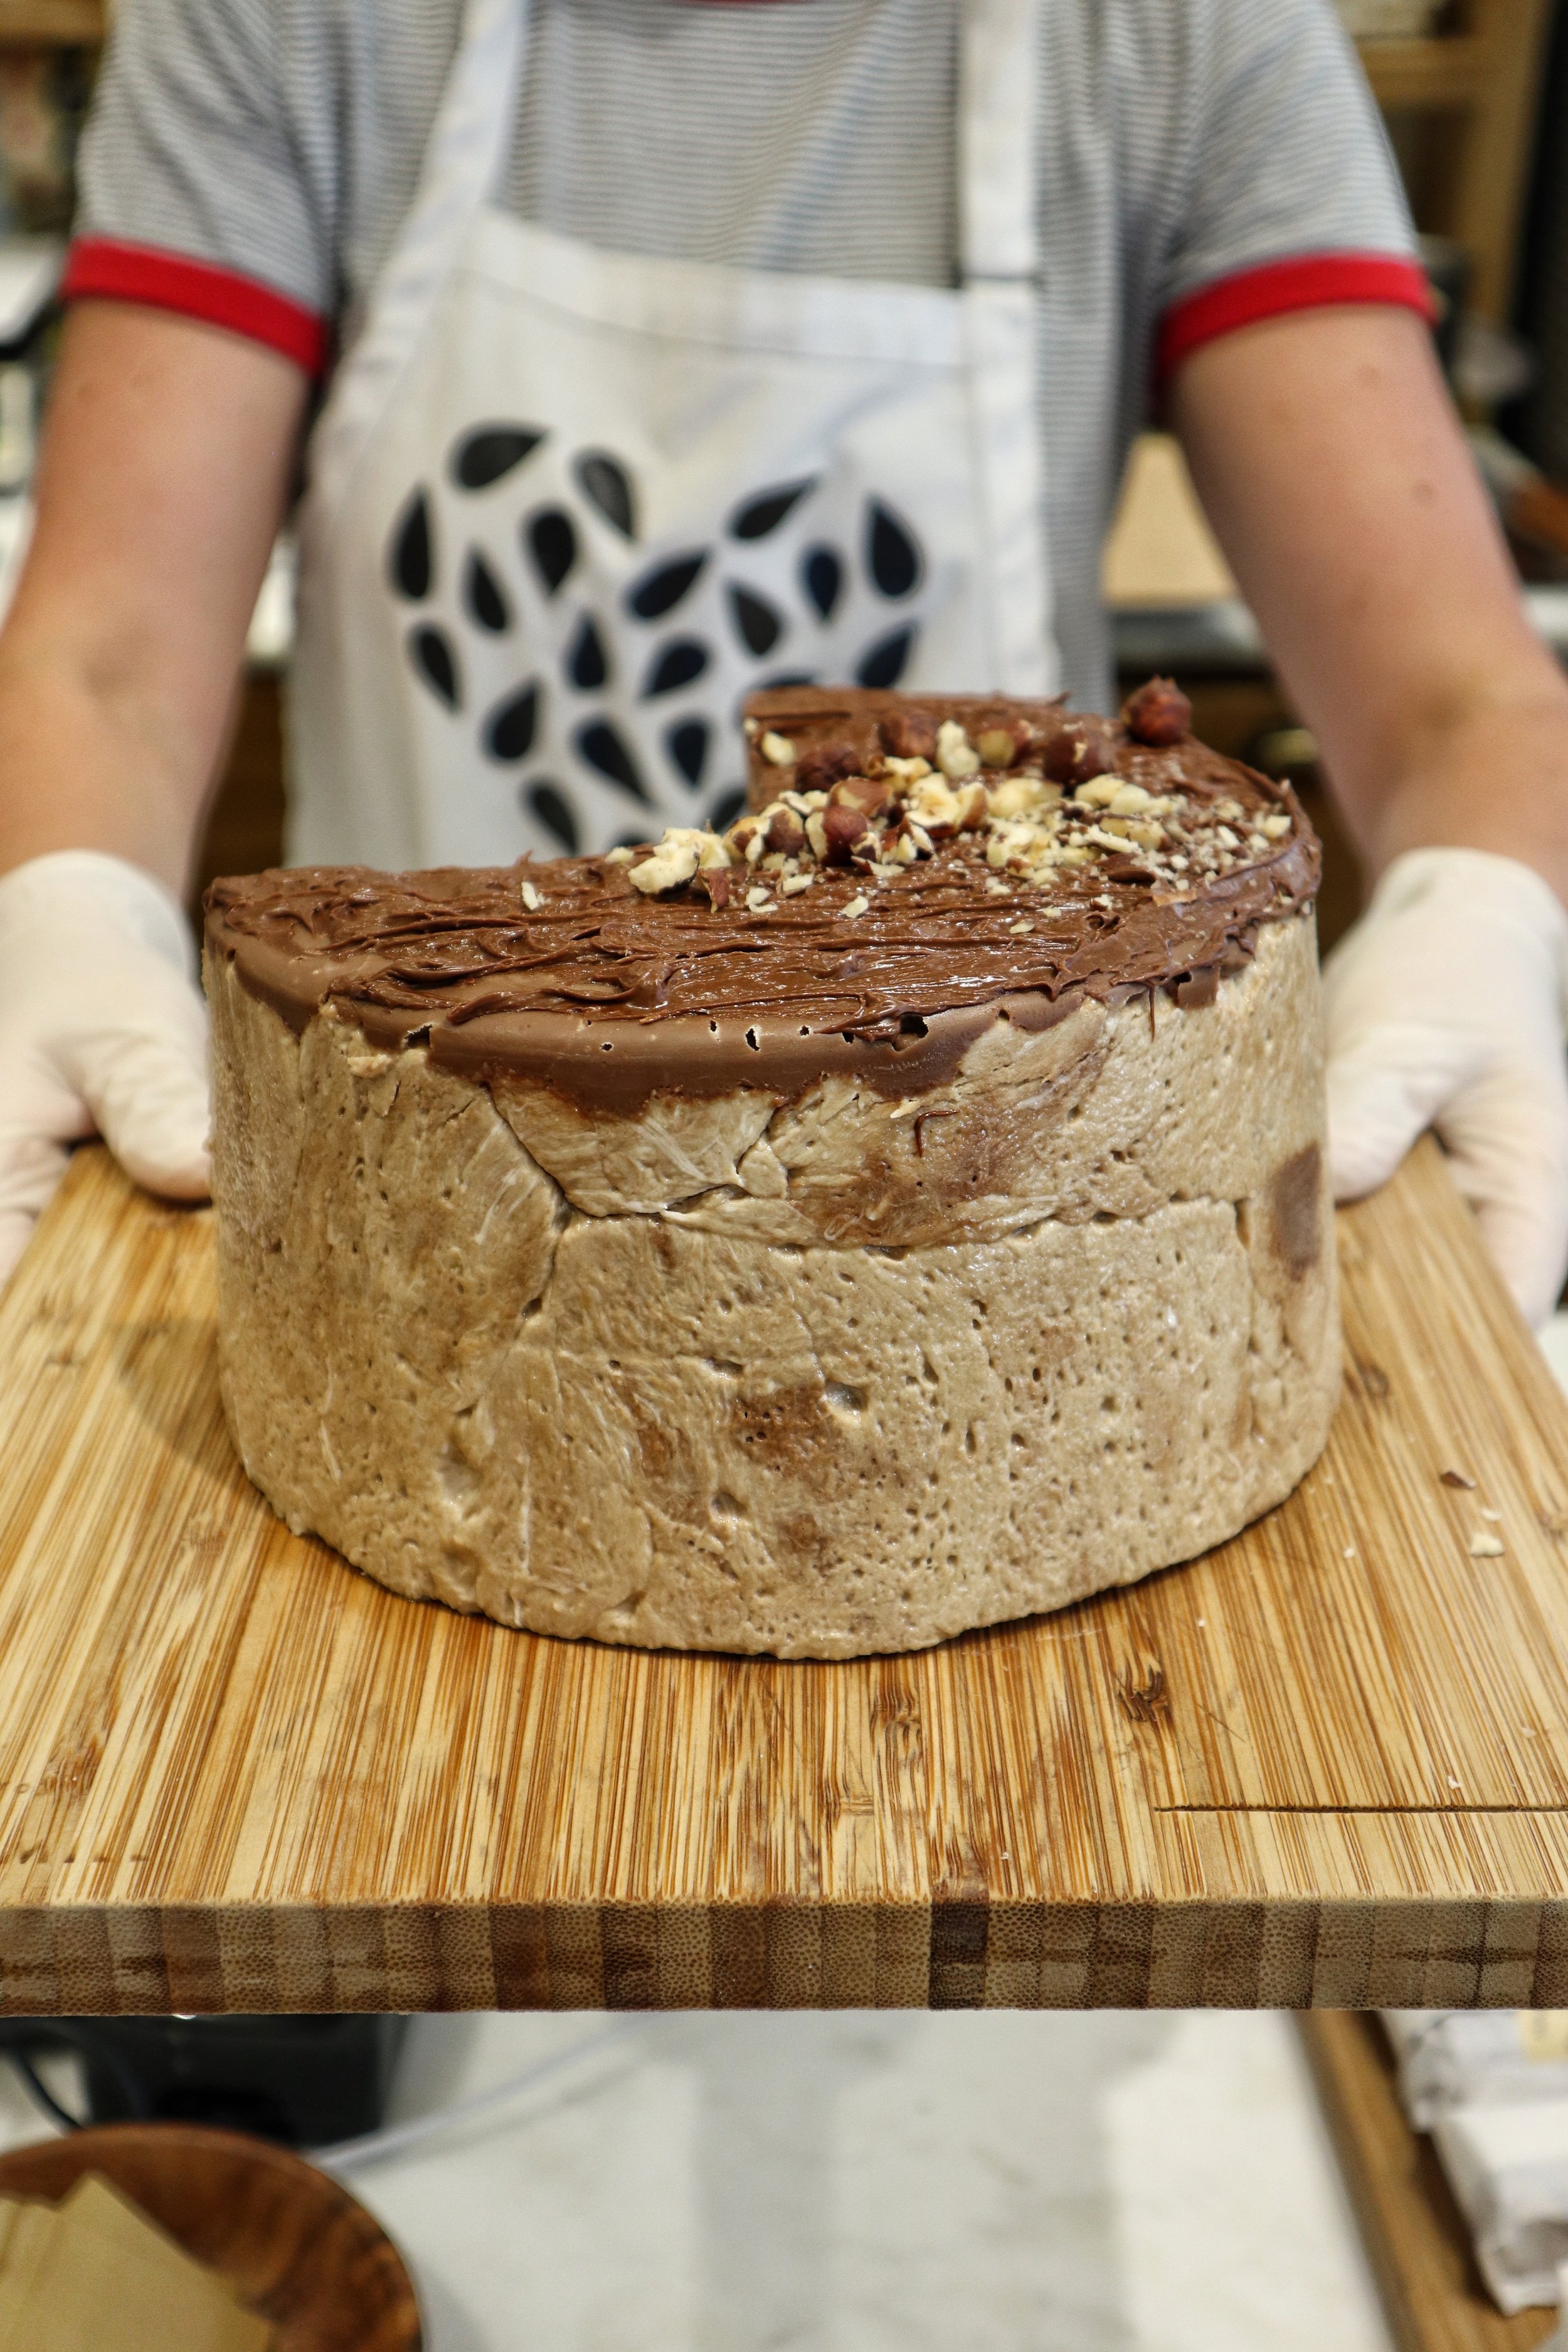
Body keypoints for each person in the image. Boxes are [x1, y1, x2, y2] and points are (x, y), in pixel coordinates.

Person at [1, 0, 1566, 1321]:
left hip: (986, 1206)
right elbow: (104, 657)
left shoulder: (1169, 34)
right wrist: (60, 896)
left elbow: (1459, 697)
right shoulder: (280, 22)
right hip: (422, 1194)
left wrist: (1484, 908)